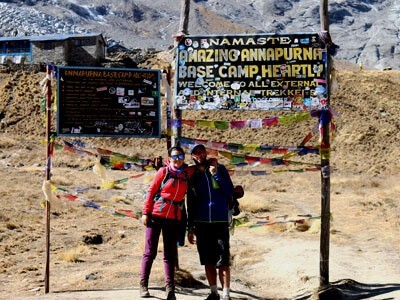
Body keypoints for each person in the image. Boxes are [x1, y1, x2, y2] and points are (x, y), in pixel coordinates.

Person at [140, 146, 188, 300]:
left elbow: (201, 166)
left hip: (174, 218)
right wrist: (145, 212)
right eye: (175, 156)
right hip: (156, 215)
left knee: (169, 254)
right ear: (170, 157)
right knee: (150, 251)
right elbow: (151, 191)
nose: (178, 159)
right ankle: (143, 284)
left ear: (184, 157)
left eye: (180, 156)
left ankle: (170, 289)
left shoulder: (187, 173)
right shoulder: (164, 171)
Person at [187, 144, 234, 300]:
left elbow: (229, 192)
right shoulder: (193, 175)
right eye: (195, 153)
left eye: (201, 152)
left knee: (223, 260)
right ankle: (214, 292)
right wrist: (190, 226)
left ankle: (226, 294)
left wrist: (216, 175)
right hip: (201, 222)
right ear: (192, 156)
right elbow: (191, 201)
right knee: (208, 259)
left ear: (206, 153)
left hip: (220, 220)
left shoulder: (220, 168)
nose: (199, 155)